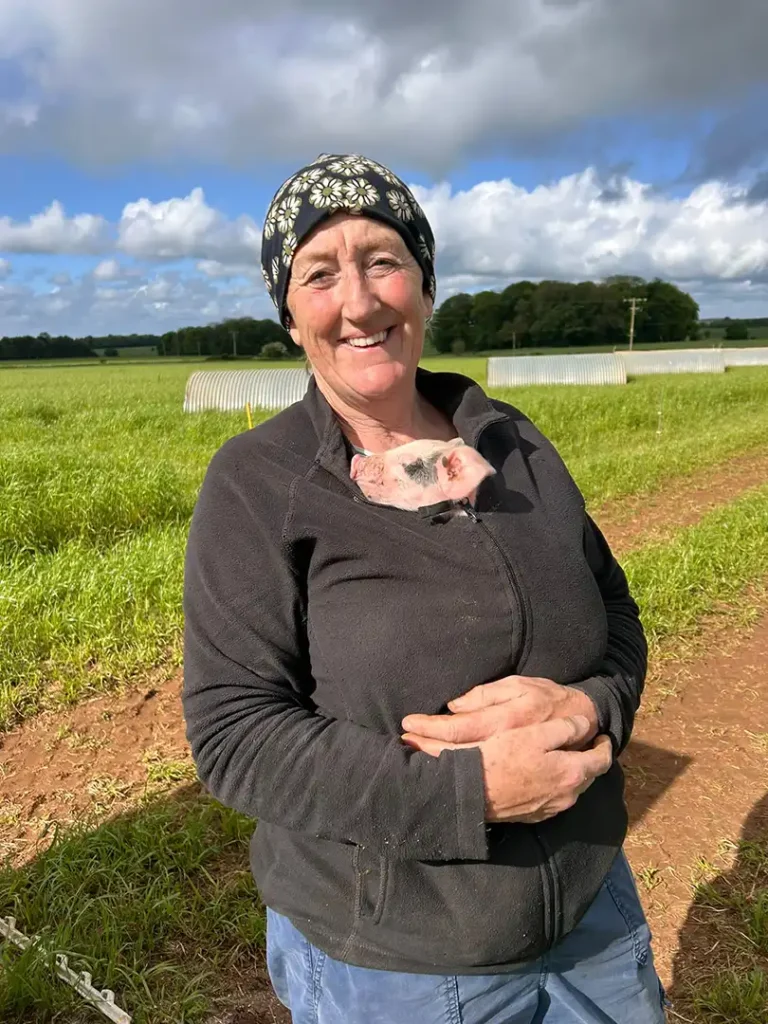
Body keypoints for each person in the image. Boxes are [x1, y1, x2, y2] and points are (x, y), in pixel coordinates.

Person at [182, 153, 669, 1024]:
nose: (360, 302)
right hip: (398, 966)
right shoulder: (260, 483)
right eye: (319, 273)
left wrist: (590, 708)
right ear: (290, 315)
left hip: (596, 916)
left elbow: (618, 615)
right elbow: (234, 735)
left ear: (425, 284)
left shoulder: (513, 439)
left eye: (382, 261)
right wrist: (471, 793)